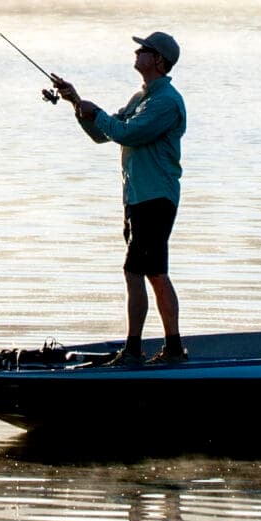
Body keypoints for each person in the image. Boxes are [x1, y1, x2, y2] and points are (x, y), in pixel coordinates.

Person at [49, 31, 187, 367]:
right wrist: (76, 102)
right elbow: (102, 135)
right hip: (137, 198)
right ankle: (145, 348)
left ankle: (158, 349)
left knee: (148, 271)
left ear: (157, 60)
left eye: (145, 49)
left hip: (156, 197)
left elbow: (127, 133)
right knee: (140, 271)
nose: (137, 52)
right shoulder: (141, 97)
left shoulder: (165, 102)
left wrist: (96, 113)